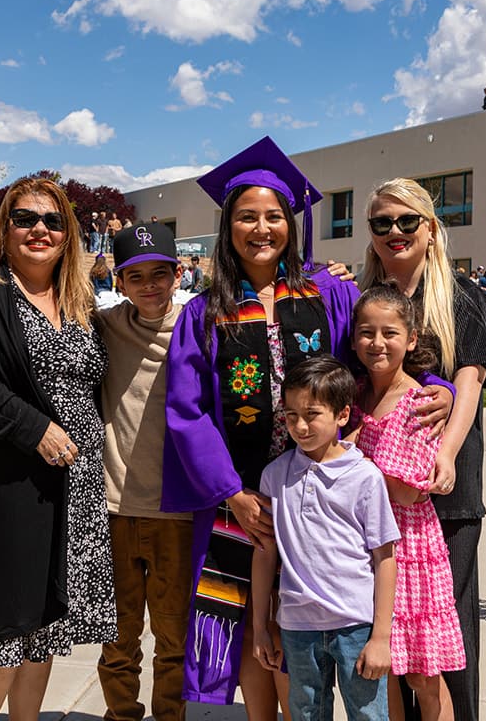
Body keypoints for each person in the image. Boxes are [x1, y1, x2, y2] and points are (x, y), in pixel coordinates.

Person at [162, 137, 380, 716]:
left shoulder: (328, 292)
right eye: (246, 217)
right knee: (245, 627)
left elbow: (374, 360)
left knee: (308, 623)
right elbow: (187, 410)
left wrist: (434, 390)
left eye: (273, 216)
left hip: (318, 494)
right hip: (246, 500)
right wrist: (232, 494)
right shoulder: (204, 312)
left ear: (291, 222)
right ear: (227, 227)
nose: (261, 229)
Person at [0, 177, 116, 721]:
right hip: (7, 486)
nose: (39, 230)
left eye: (53, 221)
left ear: (69, 234)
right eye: (25, 218)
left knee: (44, 626)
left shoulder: (79, 300)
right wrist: (34, 428)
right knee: (1, 629)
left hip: (73, 488)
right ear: (4, 227)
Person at [358, 178, 486, 721]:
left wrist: (447, 449)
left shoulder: (461, 297)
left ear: (430, 228)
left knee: (447, 636)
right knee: (390, 631)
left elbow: (470, 381)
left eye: (406, 221)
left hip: (446, 490)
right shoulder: (365, 300)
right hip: (381, 496)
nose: (394, 232)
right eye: (381, 223)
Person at [250, 355, 399, 721]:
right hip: (298, 626)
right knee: (305, 714)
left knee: (368, 715)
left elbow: (385, 558)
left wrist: (381, 637)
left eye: (312, 414)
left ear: (342, 415)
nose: (300, 426)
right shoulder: (275, 476)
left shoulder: (365, 478)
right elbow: (265, 553)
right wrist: (260, 627)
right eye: (291, 415)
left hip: (355, 625)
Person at [348, 287, 465, 721]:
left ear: (412, 339)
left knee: (421, 675)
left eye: (389, 333)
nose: (377, 342)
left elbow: (409, 490)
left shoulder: (422, 403)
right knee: (383, 670)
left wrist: (352, 459)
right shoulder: (355, 394)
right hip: (365, 547)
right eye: (366, 332)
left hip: (408, 548)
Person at [96, 222, 194, 721]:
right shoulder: (104, 327)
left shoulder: (197, 328)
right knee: (118, 638)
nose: (150, 285)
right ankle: (121, 715)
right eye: (137, 276)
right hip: (114, 508)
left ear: (179, 274)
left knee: (174, 639)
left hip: (175, 513)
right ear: (120, 281)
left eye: (160, 274)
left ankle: (169, 716)